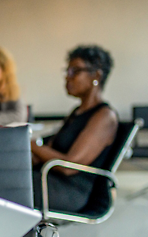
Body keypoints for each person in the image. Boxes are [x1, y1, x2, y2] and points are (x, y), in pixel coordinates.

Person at [30, 45, 118, 212]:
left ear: (96, 76)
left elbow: (69, 167)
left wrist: (31, 145)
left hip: (70, 191)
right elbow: (51, 149)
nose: (67, 78)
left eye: (75, 71)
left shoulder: (105, 117)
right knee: (0, 177)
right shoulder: (77, 113)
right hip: (50, 180)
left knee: (1, 183)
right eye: (67, 71)